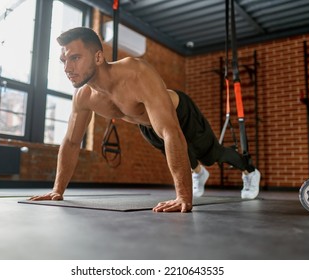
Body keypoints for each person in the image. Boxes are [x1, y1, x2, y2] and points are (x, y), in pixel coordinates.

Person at [29, 27, 261, 213]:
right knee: (184, 155)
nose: (67, 68)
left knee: (211, 155)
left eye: (75, 58)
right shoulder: (84, 97)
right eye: (64, 60)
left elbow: (171, 131)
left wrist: (183, 197)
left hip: (180, 113)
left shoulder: (135, 73)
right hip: (147, 125)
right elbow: (71, 142)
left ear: (98, 57)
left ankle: (249, 170)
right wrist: (57, 190)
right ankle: (198, 173)